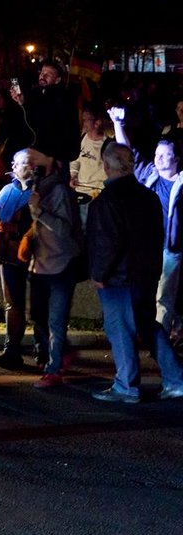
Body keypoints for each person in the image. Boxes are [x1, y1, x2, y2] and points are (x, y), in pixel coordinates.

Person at [84, 143, 182, 402]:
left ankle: (127, 385)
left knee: (120, 329)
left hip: (118, 278)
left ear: (106, 166)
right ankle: (175, 379)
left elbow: (107, 242)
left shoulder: (106, 202)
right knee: (148, 325)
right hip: (146, 275)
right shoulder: (148, 197)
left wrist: (99, 274)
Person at [22, 147, 84, 388]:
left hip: (60, 263)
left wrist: (39, 212)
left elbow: (64, 229)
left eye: (36, 153)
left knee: (55, 320)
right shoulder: (40, 184)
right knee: (38, 316)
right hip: (40, 263)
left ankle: (54, 369)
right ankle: (54, 357)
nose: (30, 157)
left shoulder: (59, 190)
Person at [0, 149, 37, 370]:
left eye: (21, 163)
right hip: (8, 253)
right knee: (12, 302)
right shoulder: (8, 189)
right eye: (14, 163)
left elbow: (40, 223)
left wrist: (17, 228)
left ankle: (43, 350)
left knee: (37, 304)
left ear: (33, 167)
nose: (15, 167)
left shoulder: (38, 192)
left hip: (35, 255)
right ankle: (12, 348)